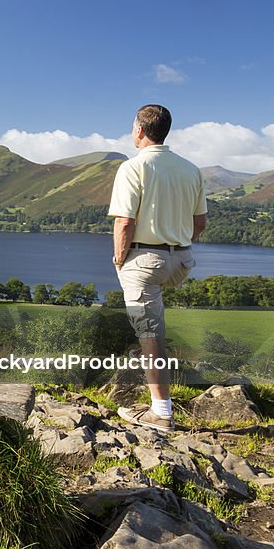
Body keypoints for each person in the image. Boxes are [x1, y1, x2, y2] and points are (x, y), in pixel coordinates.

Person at [109, 104, 207, 431]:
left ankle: (161, 413)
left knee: (151, 336)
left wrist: (120, 260)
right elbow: (200, 223)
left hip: (144, 262)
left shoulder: (133, 167)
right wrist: (177, 242)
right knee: (154, 326)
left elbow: (124, 222)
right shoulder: (191, 169)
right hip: (180, 260)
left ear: (139, 130)